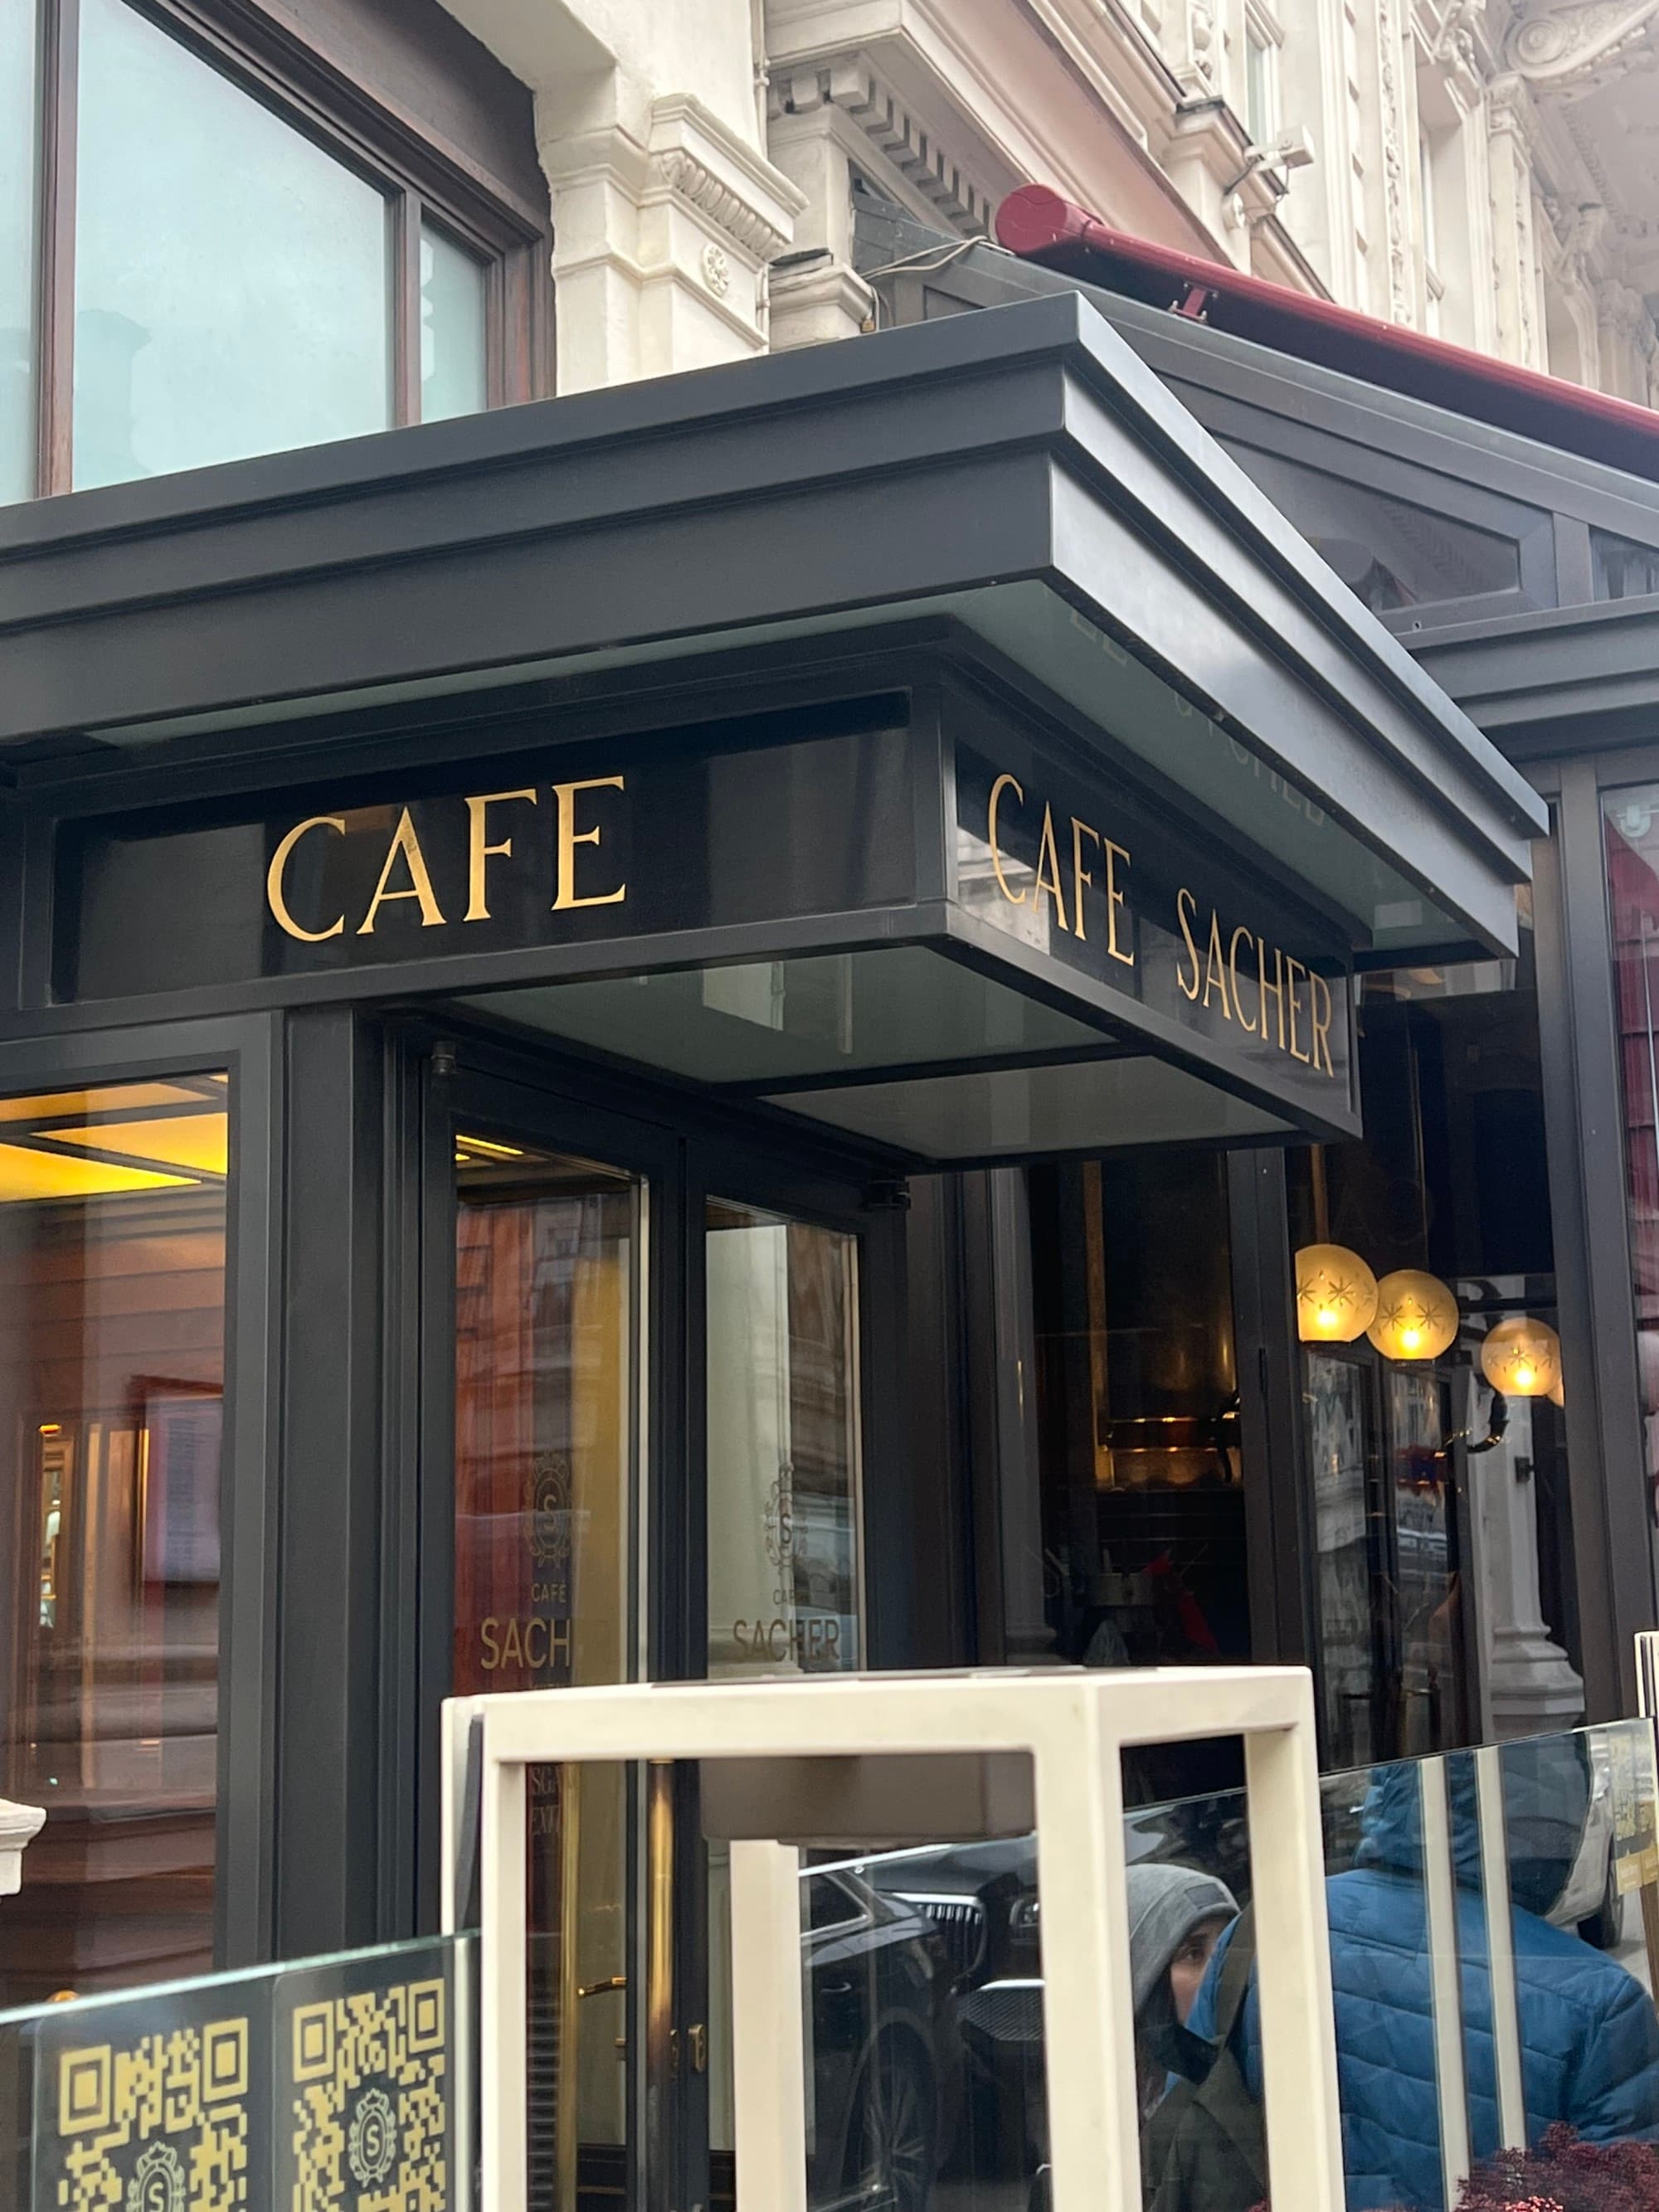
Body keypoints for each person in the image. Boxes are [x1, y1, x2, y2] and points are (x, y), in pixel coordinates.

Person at [1177, 1733, 1659, 2212]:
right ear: (1563, 1807)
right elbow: (1623, 2189)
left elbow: (1196, 2119)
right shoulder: (1602, 2001)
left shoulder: (1267, 1926)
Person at [1028, 1862, 1238, 2211]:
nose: (1219, 1974)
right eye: (1193, 1954)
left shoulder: (1261, 2085)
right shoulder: (1087, 2137)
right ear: (1139, 1975)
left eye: (1230, 1948)